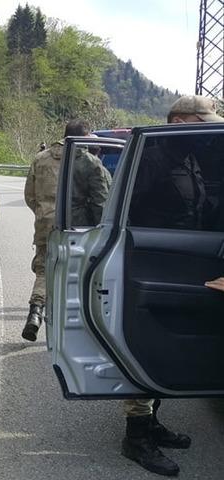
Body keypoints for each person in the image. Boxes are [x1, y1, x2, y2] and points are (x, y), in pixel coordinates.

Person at [119, 95, 223, 477]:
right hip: (149, 260)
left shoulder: (186, 156)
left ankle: (151, 423)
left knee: (166, 346)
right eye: (203, 123)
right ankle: (136, 436)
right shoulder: (152, 156)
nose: (208, 132)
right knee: (145, 346)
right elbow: (128, 214)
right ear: (179, 122)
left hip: (183, 258)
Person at [22, 119, 110, 342]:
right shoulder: (89, 161)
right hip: (76, 227)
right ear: (85, 136)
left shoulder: (40, 158)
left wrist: (44, 212)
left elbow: (30, 195)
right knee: (77, 273)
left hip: (45, 222)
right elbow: (100, 201)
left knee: (44, 270)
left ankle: (36, 311)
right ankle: (72, 325)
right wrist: (102, 231)